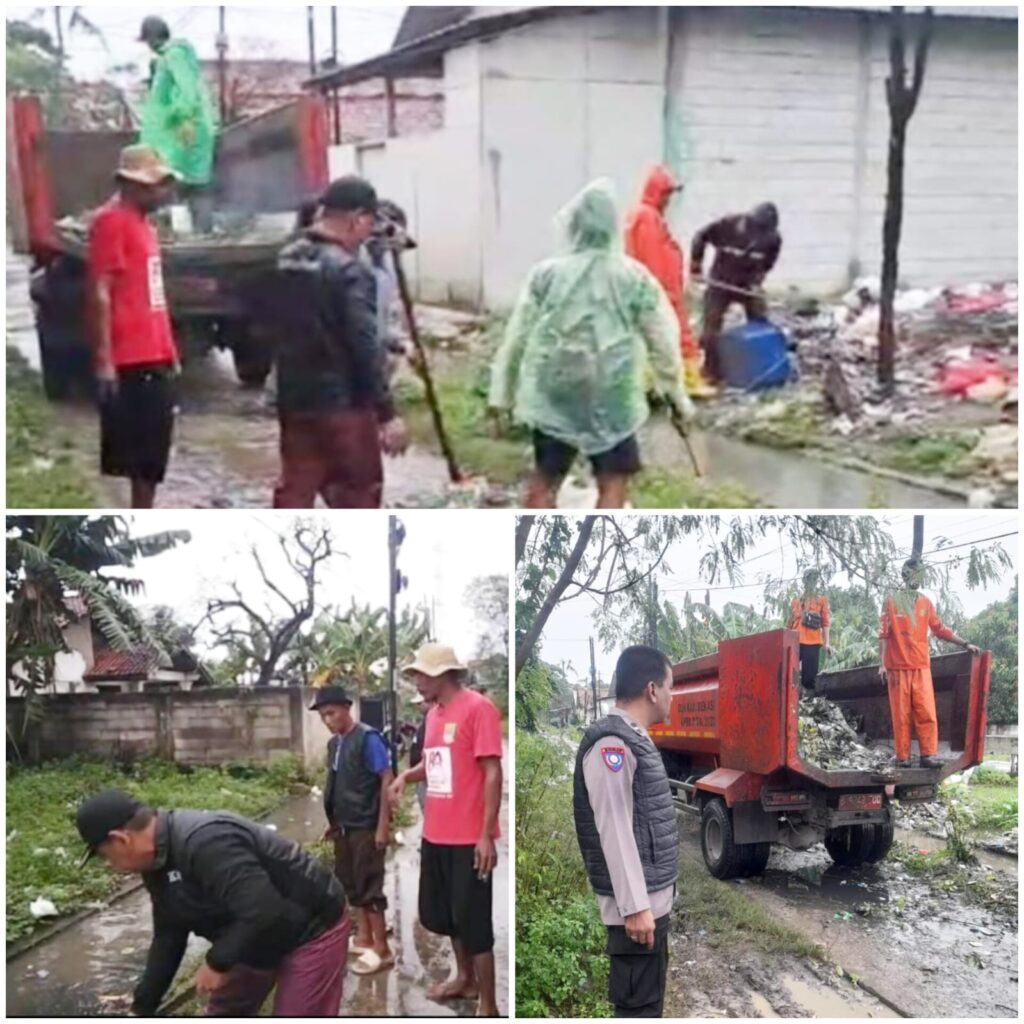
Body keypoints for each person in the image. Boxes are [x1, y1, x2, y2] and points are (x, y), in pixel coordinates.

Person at [489, 179, 695, 510]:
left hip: (557, 391)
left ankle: (539, 543)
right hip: (612, 393)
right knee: (612, 483)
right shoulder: (634, 278)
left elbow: (517, 337)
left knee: (545, 479)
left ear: (573, 224)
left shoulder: (547, 275)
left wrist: (502, 394)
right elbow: (662, 343)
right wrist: (676, 399)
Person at [74, 790, 349, 1016]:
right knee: (225, 1011)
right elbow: (168, 936)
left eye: (105, 856)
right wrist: (142, 1007)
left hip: (310, 927)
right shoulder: (155, 865)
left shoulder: (205, 841)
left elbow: (263, 908)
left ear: (121, 839)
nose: (110, 865)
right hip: (253, 933)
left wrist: (217, 962)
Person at [271, 176, 409, 508]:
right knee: (357, 495)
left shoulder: (286, 258)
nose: (368, 234)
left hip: (295, 402)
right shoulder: (350, 271)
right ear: (357, 218)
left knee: (295, 492)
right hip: (343, 406)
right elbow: (364, 346)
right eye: (370, 224)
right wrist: (387, 414)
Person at [389, 644, 503, 1017]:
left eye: (421, 675)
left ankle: (489, 1004)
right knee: (449, 916)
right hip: (435, 834)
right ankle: (464, 979)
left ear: (442, 675)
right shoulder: (434, 716)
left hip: (468, 839)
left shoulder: (478, 708)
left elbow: (491, 771)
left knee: (475, 923)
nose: (417, 683)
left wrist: (485, 835)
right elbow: (432, 763)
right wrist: (406, 777)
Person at [573, 646, 676, 1018]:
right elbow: (613, 826)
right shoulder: (612, 744)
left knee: (648, 1006)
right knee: (637, 1011)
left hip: (647, 908)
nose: (672, 697)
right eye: (670, 687)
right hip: (636, 914)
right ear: (652, 690)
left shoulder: (633, 738)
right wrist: (634, 908)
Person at [87, 144, 180, 509]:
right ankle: (140, 519)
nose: (161, 193)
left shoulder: (144, 226)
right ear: (131, 185)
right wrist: (105, 359)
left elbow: (153, 294)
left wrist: (169, 349)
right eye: (154, 185)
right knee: (141, 459)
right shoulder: (112, 222)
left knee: (154, 456)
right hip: (132, 356)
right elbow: (101, 290)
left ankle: (143, 514)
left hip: (154, 353)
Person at [309, 686, 395, 976]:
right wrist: (333, 822)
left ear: (347, 709)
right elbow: (337, 784)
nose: (327, 720)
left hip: (366, 826)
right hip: (344, 827)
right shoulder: (335, 744)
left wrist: (382, 826)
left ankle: (382, 950)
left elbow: (386, 779)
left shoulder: (368, 738)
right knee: (352, 883)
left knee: (370, 886)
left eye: (331, 713)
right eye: (323, 716)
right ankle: (364, 938)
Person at [879, 559, 980, 768]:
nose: (916, 578)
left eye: (920, 574)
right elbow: (883, 634)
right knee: (901, 715)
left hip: (921, 667)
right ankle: (902, 757)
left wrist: (965, 643)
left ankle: (927, 756)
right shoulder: (890, 602)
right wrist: (882, 664)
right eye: (912, 574)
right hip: (897, 668)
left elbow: (939, 629)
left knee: (926, 712)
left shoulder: (925, 602)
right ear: (904, 576)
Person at [624, 166, 714, 398]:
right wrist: (666, 292)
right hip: (661, 291)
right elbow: (652, 257)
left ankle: (651, 384)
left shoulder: (642, 215)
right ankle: (690, 382)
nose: (669, 200)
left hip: (653, 290)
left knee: (650, 339)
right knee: (679, 337)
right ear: (658, 193)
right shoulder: (647, 218)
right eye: (667, 194)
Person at [138, 16, 217, 232]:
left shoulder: (175, 55)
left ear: (153, 38)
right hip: (180, 129)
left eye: (147, 40)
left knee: (182, 181)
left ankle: (196, 232)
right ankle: (199, 231)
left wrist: (183, 116)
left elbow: (187, 89)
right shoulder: (168, 57)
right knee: (188, 180)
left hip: (183, 129)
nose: (148, 46)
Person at [691, 202, 782, 383]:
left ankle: (761, 366)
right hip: (720, 282)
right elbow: (700, 237)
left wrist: (757, 282)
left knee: (761, 323)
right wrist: (695, 267)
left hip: (747, 285)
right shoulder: (727, 226)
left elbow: (767, 265)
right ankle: (712, 371)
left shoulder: (773, 239)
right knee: (711, 328)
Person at [788, 570, 833, 692]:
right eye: (808, 579)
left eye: (813, 579)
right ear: (804, 581)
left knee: (809, 678)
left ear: (816, 581)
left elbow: (825, 622)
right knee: (789, 672)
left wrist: (827, 643)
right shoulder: (796, 600)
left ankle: (808, 699)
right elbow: (790, 622)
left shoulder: (821, 600)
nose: (811, 582)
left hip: (812, 642)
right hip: (795, 640)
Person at [409, 691, 436, 809]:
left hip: (428, 776)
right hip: (420, 774)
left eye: (420, 704)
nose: (418, 707)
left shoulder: (433, 722)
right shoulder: (425, 722)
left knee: (428, 806)